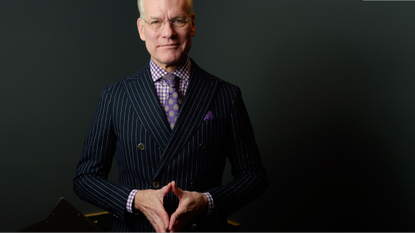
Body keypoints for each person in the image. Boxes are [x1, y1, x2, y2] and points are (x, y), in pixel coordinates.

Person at [73, 0, 269, 232]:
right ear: (141, 29)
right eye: (156, 22)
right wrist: (135, 199)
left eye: (178, 20)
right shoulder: (114, 96)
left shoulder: (226, 94)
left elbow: (254, 176)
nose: (168, 33)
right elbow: (85, 179)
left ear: (193, 24)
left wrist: (207, 202)